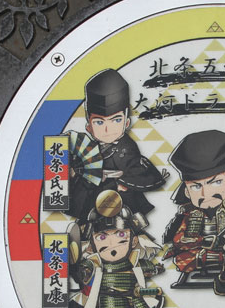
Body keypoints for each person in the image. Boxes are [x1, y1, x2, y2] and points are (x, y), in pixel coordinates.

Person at [163, 129, 225, 295]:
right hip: (200, 252)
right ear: (187, 191)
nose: (206, 194)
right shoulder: (189, 213)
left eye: (215, 183)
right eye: (196, 187)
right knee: (182, 260)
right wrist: (202, 241)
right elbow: (178, 239)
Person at [68, 68, 166, 225]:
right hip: (93, 196)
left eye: (116, 120)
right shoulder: (85, 148)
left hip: (119, 198)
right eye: (99, 122)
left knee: (127, 226)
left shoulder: (127, 147)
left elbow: (136, 168)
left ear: (126, 122)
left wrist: (124, 183)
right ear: (89, 127)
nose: (108, 129)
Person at [68, 190, 163, 308]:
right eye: (102, 238)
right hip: (101, 298)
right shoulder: (94, 262)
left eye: (121, 237)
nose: (112, 245)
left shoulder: (133, 260)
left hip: (130, 298)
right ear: (91, 245)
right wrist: (82, 271)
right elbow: (84, 272)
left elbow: (144, 267)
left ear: (133, 241)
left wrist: (154, 269)